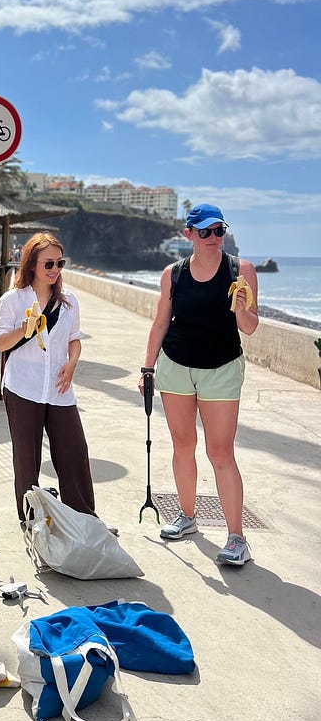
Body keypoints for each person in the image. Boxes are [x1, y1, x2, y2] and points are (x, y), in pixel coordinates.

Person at [140, 204, 259, 566]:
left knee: (220, 453)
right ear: (189, 234)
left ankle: (237, 538)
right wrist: (147, 368)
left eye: (218, 230)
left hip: (221, 368)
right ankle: (187, 517)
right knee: (182, 444)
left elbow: (250, 327)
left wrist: (240, 306)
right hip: (175, 365)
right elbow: (161, 322)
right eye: (204, 232)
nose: (213, 238)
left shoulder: (242, 271)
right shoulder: (173, 274)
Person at [0, 232, 96, 526]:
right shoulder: (12, 300)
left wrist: (72, 362)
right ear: (32, 265)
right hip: (22, 385)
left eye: (60, 263)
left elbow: (74, 338)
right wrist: (25, 330)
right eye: (48, 264)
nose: (55, 270)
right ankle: (31, 519)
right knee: (27, 459)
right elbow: (1, 343)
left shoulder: (69, 302)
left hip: (59, 387)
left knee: (75, 451)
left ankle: (84, 519)